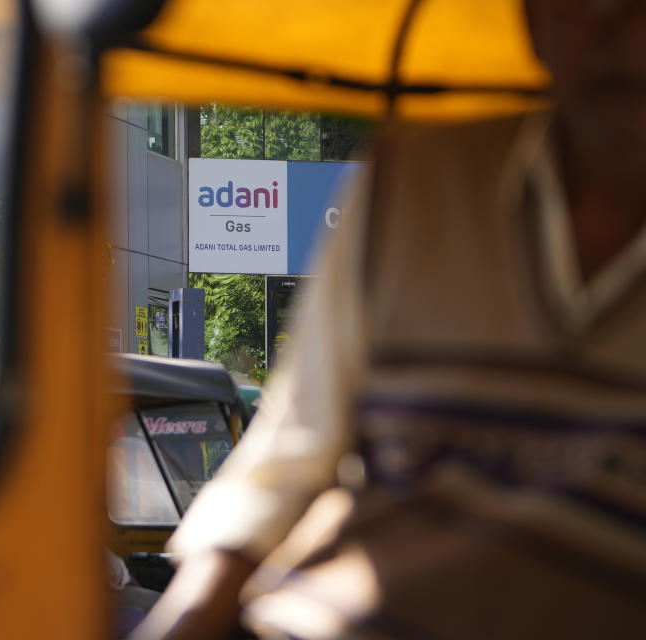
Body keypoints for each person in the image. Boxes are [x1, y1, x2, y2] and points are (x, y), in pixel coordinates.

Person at [131, 1, 646, 638]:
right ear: (534, 22)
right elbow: (290, 456)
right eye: (583, 0)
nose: (616, 28)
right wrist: (185, 621)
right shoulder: (409, 181)